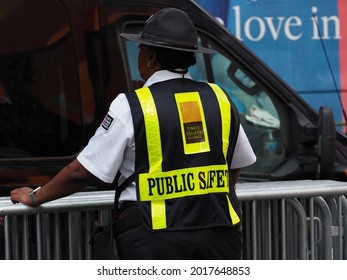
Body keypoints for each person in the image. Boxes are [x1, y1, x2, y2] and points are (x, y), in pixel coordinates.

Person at [10, 7, 256, 260]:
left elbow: (81, 172)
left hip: (156, 241)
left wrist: (35, 196)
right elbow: (235, 165)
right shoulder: (220, 99)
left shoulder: (132, 105)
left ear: (151, 58)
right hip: (219, 237)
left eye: (140, 49)